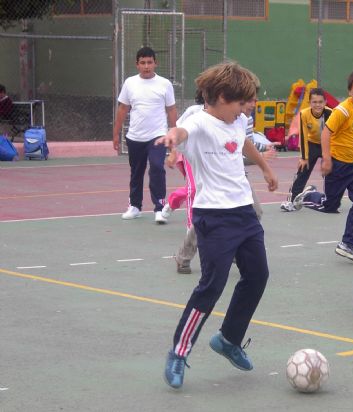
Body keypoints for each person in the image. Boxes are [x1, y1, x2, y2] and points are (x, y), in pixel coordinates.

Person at [156, 61, 278, 389]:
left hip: (244, 214)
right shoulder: (198, 121)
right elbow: (183, 132)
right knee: (212, 284)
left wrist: (265, 167)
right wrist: (172, 136)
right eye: (241, 102)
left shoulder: (236, 121)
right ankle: (179, 352)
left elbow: (243, 141)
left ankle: (228, 339)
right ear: (222, 97)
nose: (246, 109)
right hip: (214, 217)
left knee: (257, 276)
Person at [293, 70, 353, 263]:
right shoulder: (342, 111)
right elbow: (326, 133)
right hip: (337, 164)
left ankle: (348, 245)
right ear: (349, 92)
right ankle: (307, 195)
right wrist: (327, 159)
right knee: (330, 206)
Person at [112, 46, 177, 224]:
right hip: (135, 137)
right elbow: (123, 109)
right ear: (137, 65)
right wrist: (116, 134)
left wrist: (174, 133)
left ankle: (159, 207)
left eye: (150, 62)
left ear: (156, 63)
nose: (146, 66)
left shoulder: (165, 84)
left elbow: (171, 109)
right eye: (143, 63)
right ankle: (135, 206)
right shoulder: (129, 83)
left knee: (157, 167)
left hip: (157, 135)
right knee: (136, 172)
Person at [280, 88, 332, 212]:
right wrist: (304, 157)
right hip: (312, 144)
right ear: (310, 103)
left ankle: (330, 200)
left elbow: (334, 135)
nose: (317, 105)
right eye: (314, 102)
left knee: (330, 173)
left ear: (325, 102)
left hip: (327, 145)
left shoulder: (331, 113)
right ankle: (292, 201)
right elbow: (303, 136)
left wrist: (328, 157)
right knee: (302, 170)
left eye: (320, 102)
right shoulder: (304, 114)